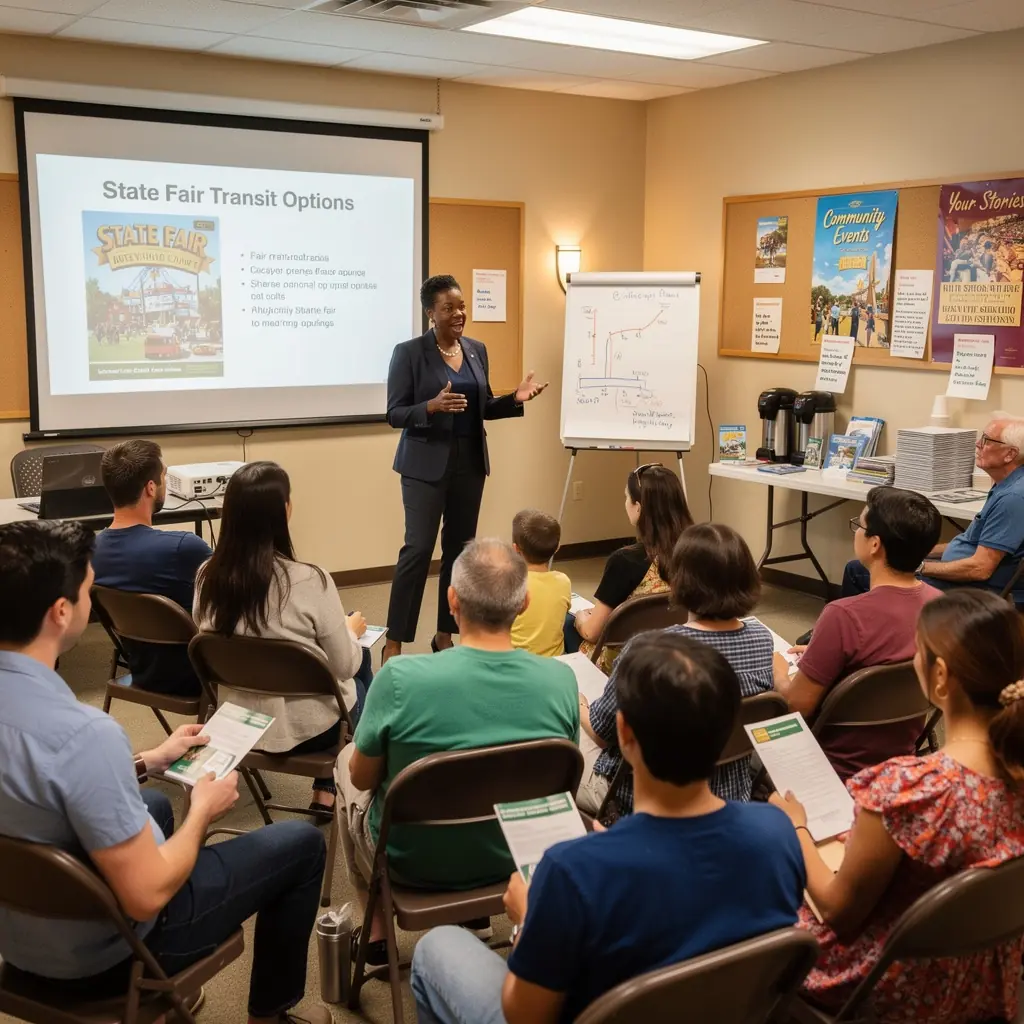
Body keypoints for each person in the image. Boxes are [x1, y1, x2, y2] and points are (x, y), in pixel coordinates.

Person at [0, 520, 330, 1024]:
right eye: (89, 589)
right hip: (110, 957)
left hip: (18, 942)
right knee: (302, 847)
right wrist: (201, 811)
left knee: (152, 801)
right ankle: (270, 1013)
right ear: (61, 611)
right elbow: (146, 893)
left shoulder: (61, 729)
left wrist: (147, 760)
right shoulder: (85, 734)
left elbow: (39, 777)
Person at [410, 631, 806, 1024]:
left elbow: (524, 1016)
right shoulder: (777, 833)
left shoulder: (571, 870)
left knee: (436, 947)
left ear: (625, 733)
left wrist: (528, 923)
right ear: (729, 730)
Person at [774, 589, 1024, 1023]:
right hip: (977, 978)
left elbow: (838, 913)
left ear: (941, 676)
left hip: (884, 986)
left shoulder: (908, 790)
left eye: (917, 652)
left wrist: (794, 826)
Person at [334, 539, 578, 963]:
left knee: (345, 761)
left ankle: (374, 930)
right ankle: (478, 915)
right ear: (524, 604)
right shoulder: (560, 681)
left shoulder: (399, 678)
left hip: (411, 860)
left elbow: (362, 779)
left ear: (452, 600)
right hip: (515, 857)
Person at [382, 275, 548, 662]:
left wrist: (515, 399)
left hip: (470, 463)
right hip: (425, 465)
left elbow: (483, 407)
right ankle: (395, 641)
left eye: (461, 307)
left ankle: (445, 634)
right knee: (418, 550)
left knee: (459, 552)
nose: (458, 314)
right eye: (448, 308)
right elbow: (393, 413)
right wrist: (430, 407)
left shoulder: (476, 349)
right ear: (430, 313)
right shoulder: (409, 353)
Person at [194, 461, 367, 811]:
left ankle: (330, 787)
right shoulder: (310, 581)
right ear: (284, 511)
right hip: (307, 732)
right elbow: (344, 665)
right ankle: (333, 786)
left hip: (236, 725)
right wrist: (350, 632)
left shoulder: (205, 577)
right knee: (361, 674)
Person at [576, 522, 776, 816]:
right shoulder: (762, 640)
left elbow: (603, 732)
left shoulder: (648, 650)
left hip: (637, 799)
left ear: (678, 578)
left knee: (560, 731)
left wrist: (577, 703)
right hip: (730, 795)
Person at [779, 488, 942, 780]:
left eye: (859, 525)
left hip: (833, 766)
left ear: (875, 544)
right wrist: (821, 653)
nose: (856, 531)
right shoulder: (941, 606)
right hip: (900, 760)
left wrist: (777, 669)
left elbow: (797, 706)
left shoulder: (843, 615)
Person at [843, 417, 1024, 604]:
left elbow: (980, 568)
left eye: (987, 440)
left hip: (980, 589)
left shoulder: (1013, 498)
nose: (978, 444)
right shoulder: (1006, 485)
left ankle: (856, 628)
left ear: (1010, 454)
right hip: (967, 577)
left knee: (857, 571)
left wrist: (918, 566)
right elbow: (972, 544)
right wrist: (914, 550)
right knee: (874, 564)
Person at [91, 439, 210, 697]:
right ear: (151, 487)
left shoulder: (91, 551)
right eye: (164, 476)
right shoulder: (183, 547)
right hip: (201, 676)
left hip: (140, 672)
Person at [566, 464, 692, 672]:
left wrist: (580, 619)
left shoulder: (625, 561)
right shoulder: (696, 552)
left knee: (567, 621)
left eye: (627, 497)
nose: (625, 503)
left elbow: (592, 633)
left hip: (625, 667)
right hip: (677, 659)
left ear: (638, 507)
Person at [510, 508, 571, 657]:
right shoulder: (563, 581)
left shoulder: (510, 584)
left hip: (516, 663)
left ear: (515, 548)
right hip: (554, 661)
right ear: (557, 548)